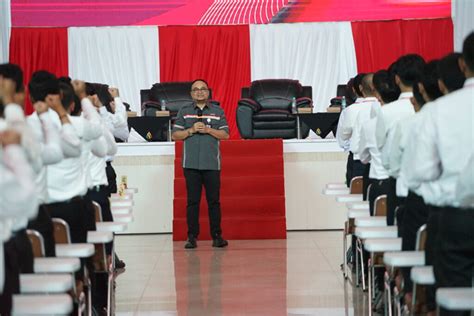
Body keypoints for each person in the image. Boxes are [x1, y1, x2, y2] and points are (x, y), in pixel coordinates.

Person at [404, 32, 474, 316]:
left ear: (463, 65)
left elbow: (419, 171)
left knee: (453, 298)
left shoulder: (439, 111)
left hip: (457, 217)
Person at [172, 79, 229, 249]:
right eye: (195, 90)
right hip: (191, 164)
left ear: (208, 92)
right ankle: (192, 237)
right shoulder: (184, 111)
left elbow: (225, 134)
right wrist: (190, 130)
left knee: (214, 201)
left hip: (212, 163)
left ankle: (217, 236)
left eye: (202, 89)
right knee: (192, 202)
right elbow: (175, 135)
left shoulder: (217, 111)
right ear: (191, 94)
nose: (199, 92)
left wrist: (209, 130)